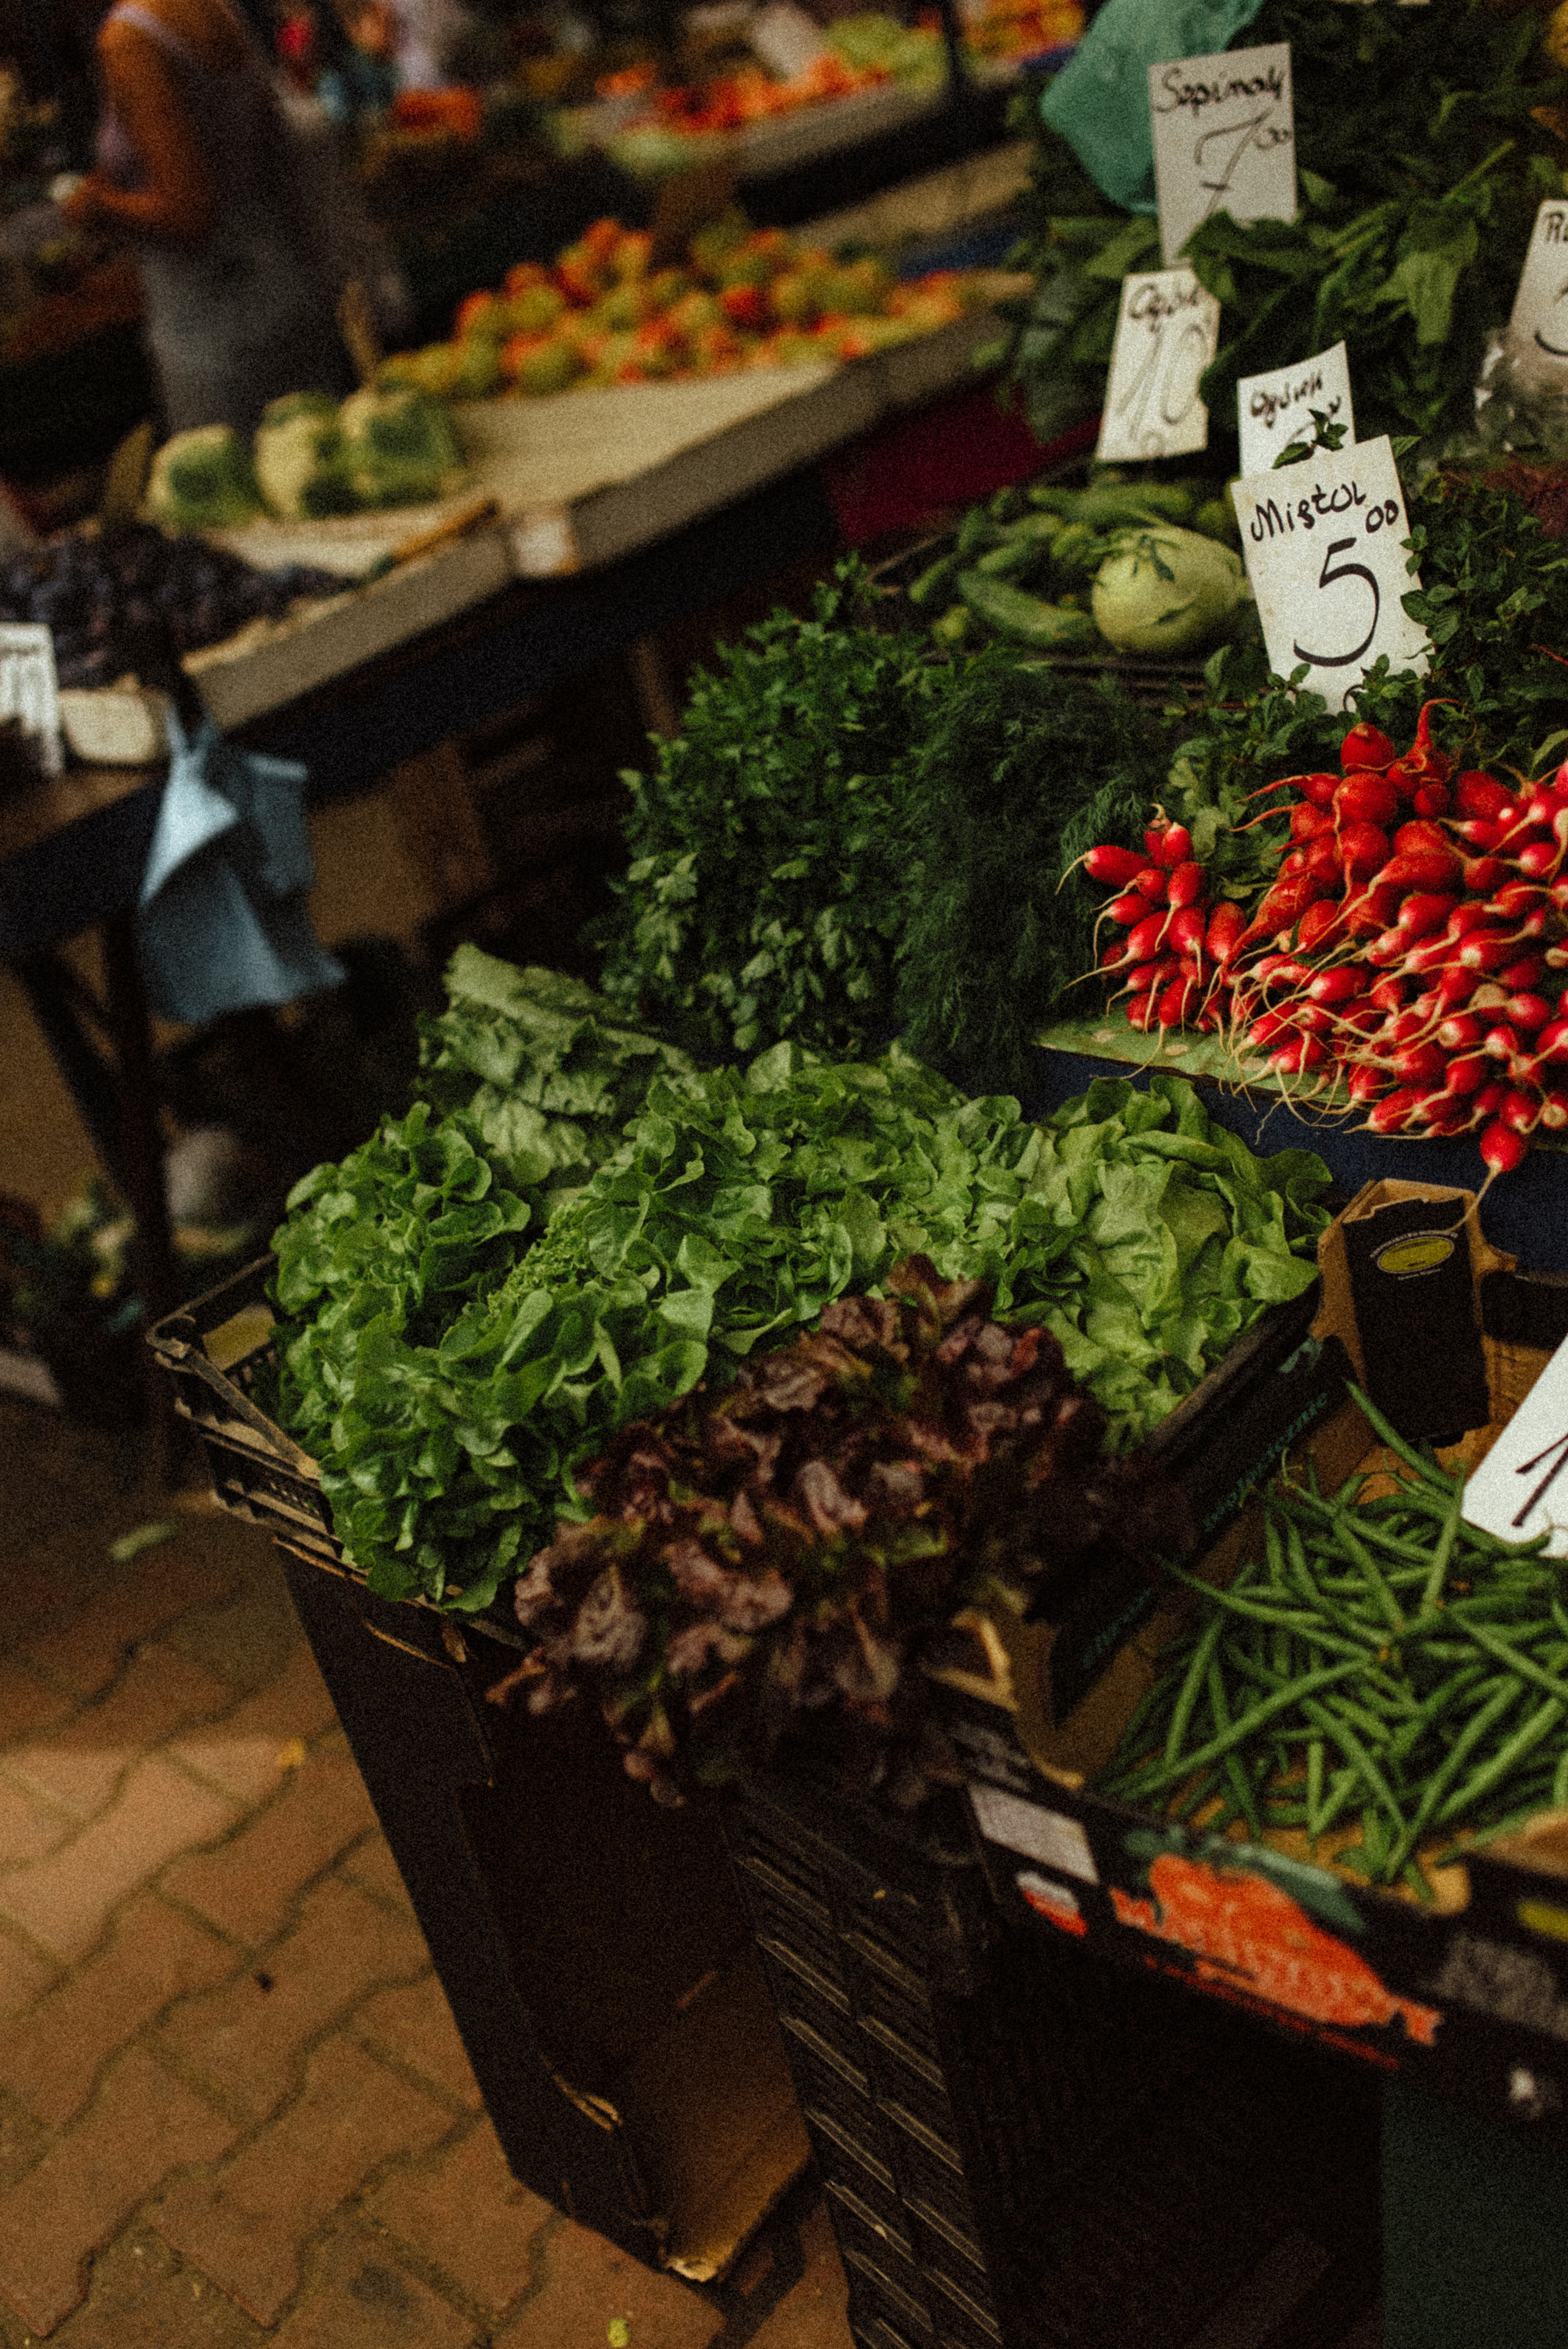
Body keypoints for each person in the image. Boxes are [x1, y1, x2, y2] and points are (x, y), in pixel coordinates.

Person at [61, 0, 356, 435]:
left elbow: (192, 215)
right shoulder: (215, 8)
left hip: (213, 324)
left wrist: (98, 207)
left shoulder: (128, 39)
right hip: (283, 285)